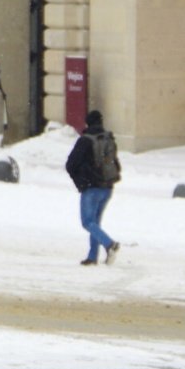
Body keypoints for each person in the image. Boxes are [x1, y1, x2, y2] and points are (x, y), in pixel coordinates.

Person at [66, 109, 121, 265]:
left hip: (91, 188)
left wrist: (80, 182)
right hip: (108, 187)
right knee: (95, 223)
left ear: (87, 123)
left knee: (87, 222)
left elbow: (70, 164)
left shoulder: (85, 141)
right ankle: (92, 256)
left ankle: (110, 244)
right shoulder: (108, 139)